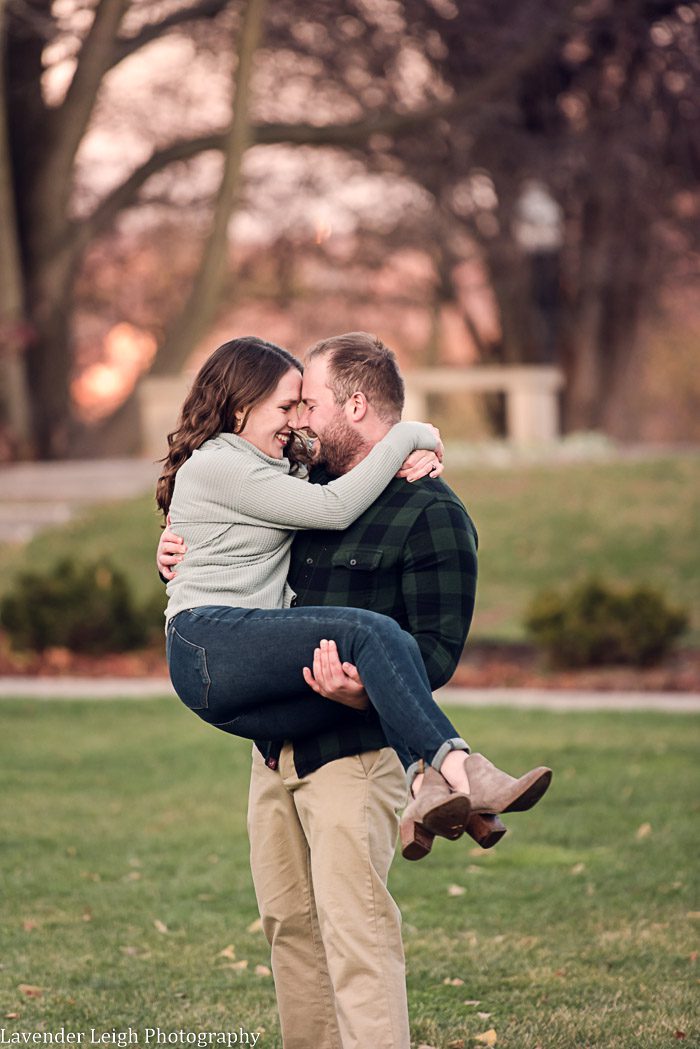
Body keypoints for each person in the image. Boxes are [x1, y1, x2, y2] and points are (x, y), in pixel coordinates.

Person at [157, 332, 552, 1049]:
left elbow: (431, 653)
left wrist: (361, 692)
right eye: (292, 402)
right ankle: (438, 773)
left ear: (357, 404)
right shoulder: (301, 486)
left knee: (356, 937)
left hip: (350, 750)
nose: (301, 418)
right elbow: (229, 556)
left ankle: (442, 770)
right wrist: (173, 554)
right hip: (276, 749)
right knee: (289, 932)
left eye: (311, 401)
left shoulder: (430, 512)